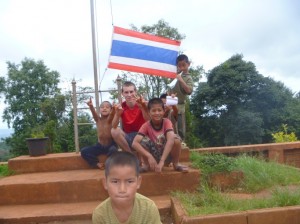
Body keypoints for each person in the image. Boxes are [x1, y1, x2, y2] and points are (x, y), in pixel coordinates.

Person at [92, 151, 162, 224]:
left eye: (129, 181)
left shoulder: (148, 208)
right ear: (105, 183)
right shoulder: (100, 214)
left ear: (138, 182)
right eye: (115, 182)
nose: (122, 189)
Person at [132, 98, 188, 173]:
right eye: (154, 111)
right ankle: (146, 165)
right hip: (153, 156)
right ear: (149, 112)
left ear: (163, 111)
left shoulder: (167, 122)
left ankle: (176, 163)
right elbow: (134, 143)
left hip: (166, 156)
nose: (157, 113)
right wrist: (149, 156)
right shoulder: (146, 125)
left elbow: (171, 140)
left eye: (159, 110)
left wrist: (162, 161)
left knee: (175, 138)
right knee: (142, 140)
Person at [111, 81, 149, 153]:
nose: (129, 95)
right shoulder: (121, 106)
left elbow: (149, 121)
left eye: (131, 92)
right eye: (126, 92)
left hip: (143, 136)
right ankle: (131, 155)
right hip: (129, 137)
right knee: (114, 131)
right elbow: (113, 126)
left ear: (135, 92)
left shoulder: (143, 104)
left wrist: (143, 108)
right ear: (122, 94)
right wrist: (117, 114)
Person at [81, 99, 118, 169]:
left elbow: (112, 115)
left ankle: (109, 163)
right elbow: (94, 114)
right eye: (102, 107)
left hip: (110, 145)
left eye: (107, 107)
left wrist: (114, 109)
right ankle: (96, 163)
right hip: (100, 146)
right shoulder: (98, 120)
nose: (104, 108)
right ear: (100, 109)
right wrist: (91, 106)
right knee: (84, 151)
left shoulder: (110, 119)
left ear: (110, 110)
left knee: (114, 150)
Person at [169, 54, 194, 141]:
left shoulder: (188, 78)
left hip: (180, 106)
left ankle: (182, 143)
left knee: (180, 128)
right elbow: (170, 88)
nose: (181, 68)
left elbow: (189, 91)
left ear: (188, 64)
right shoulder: (174, 75)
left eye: (184, 65)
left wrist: (181, 79)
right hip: (170, 104)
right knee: (170, 125)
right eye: (179, 66)